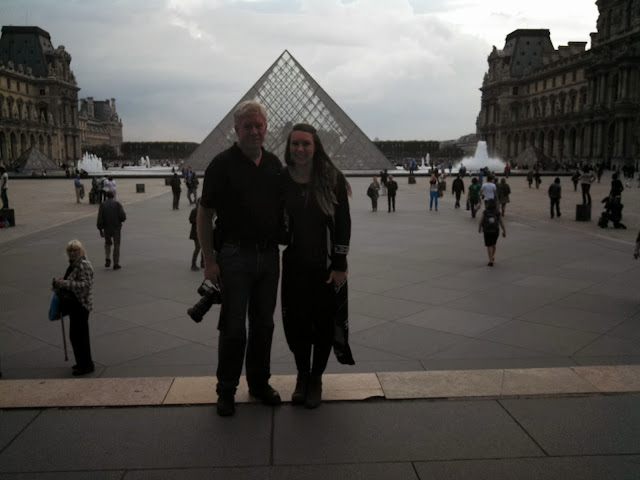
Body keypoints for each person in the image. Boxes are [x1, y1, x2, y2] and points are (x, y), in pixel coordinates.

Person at [197, 100, 282, 417]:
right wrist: (209, 259)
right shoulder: (221, 165)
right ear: (237, 129)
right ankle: (226, 389)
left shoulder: (274, 164)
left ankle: (259, 383)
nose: (255, 131)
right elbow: (204, 215)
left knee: (264, 325)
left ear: (266, 127)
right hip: (234, 255)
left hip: (269, 256)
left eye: (259, 126)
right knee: (233, 327)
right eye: (248, 126)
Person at [281, 123, 352, 409]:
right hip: (294, 264)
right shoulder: (282, 178)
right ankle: (302, 375)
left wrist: (340, 263)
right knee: (296, 324)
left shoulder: (332, 178)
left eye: (306, 144)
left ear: (316, 146)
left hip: (325, 266)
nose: (300, 149)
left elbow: (343, 222)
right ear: (289, 147)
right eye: (295, 144)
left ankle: (316, 379)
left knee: (323, 325)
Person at [53, 240, 95, 375]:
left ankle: (86, 365)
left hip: (81, 304)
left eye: (75, 250)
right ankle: (81, 362)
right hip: (74, 304)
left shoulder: (83, 265)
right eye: (70, 250)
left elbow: (86, 284)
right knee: (75, 336)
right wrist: (59, 284)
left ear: (80, 251)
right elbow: (70, 281)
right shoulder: (73, 264)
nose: (72, 253)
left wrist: (65, 283)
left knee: (80, 336)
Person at [97, 191, 126, 270]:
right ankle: (116, 263)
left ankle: (107, 258)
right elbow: (123, 216)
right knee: (116, 245)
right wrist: (121, 220)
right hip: (116, 228)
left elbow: (100, 218)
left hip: (106, 228)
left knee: (107, 243)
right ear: (113, 196)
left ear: (106, 196)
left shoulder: (102, 205)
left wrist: (100, 230)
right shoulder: (117, 204)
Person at [478, 199, 506, 267]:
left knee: (489, 245)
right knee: (493, 244)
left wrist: (479, 227)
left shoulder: (485, 212)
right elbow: (502, 223)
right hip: (495, 231)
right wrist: (504, 231)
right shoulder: (497, 212)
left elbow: (481, 221)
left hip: (487, 231)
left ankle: (490, 260)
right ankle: (492, 256)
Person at [189, 199, 204, 271]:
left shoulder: (204, 211)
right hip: (195, 233)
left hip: (202, 232)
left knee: (203, 249)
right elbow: (190, 220)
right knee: (197, 248)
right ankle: (193, 264)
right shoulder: (194, 211)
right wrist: (198, 220)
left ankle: (202, 263)